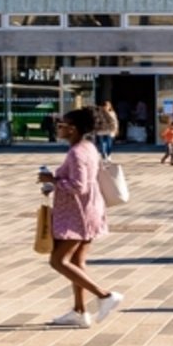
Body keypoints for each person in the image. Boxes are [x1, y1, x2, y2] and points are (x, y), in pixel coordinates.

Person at [37, 107, 123, 328]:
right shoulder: (88, 147)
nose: (59, 128)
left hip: (78, 213)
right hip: (89, 209)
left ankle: (104, 296)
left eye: (62, 125)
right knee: (77, 262)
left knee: (58, 260)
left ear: (73, 129)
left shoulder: (76, 152)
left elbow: (78, 186)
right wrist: (55, 180)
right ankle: (79, 311)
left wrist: (52, 180)